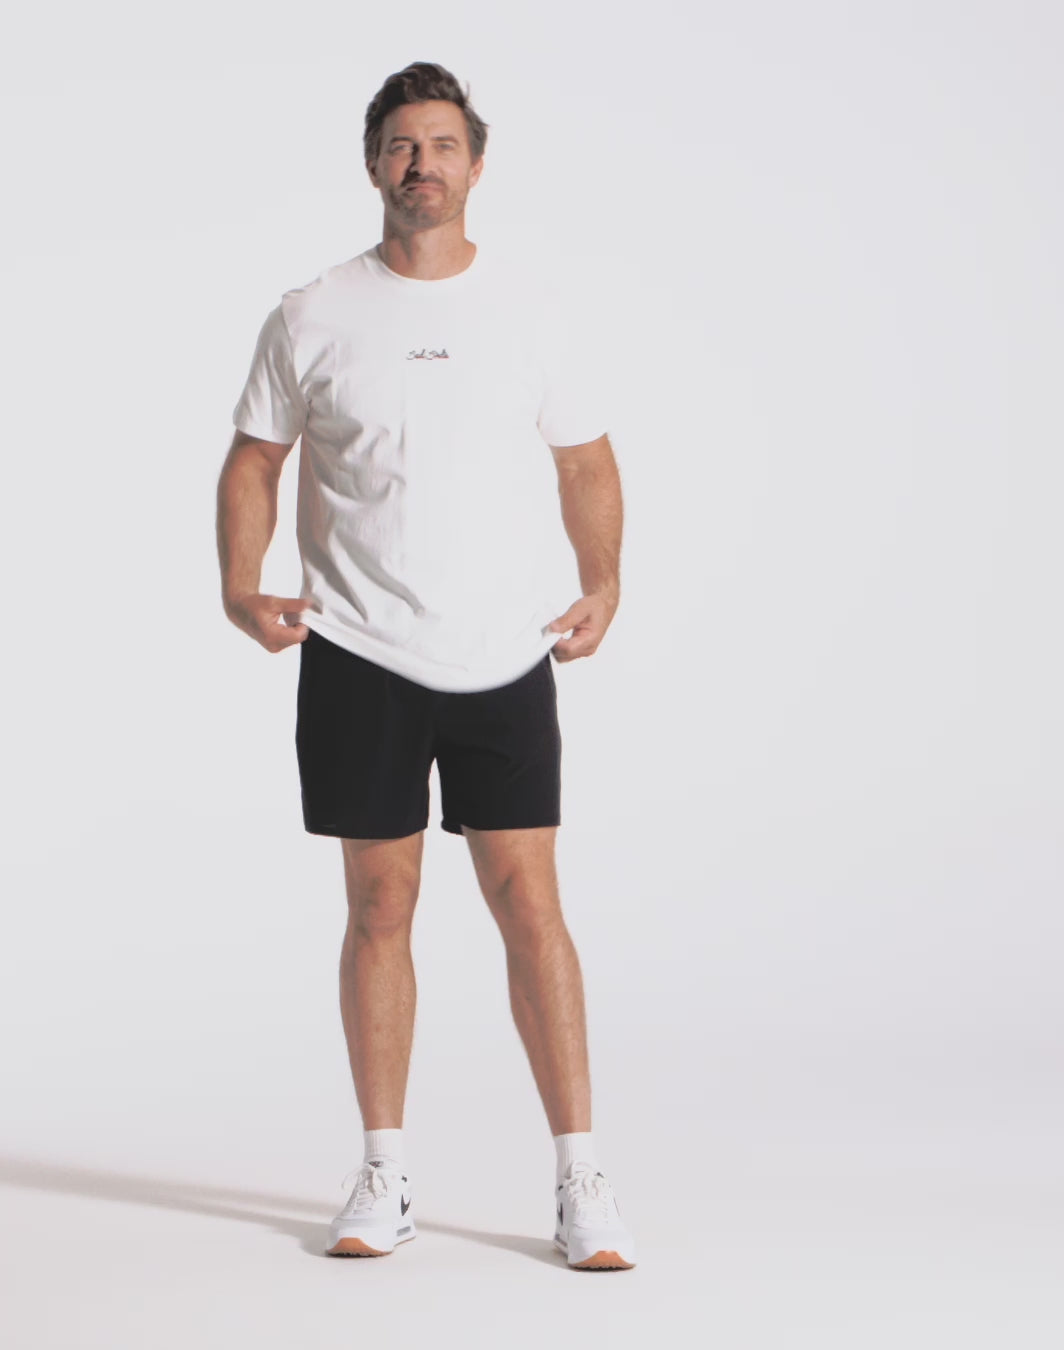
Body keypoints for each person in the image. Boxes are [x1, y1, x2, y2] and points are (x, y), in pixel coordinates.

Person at [216, 61, 633, 1271]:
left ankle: (581, 1177)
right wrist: (241, 585)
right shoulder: (313, 312)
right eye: (402, 145)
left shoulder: (531, 310)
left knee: (529, 905)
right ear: (373, 165)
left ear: (476, 164)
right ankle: (384, 1173)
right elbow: (253, 460)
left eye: (443, 145)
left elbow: (587, 461)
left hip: (503, 651)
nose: (422, 165)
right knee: (379, 906)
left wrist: (603, 581)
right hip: (358, 648)